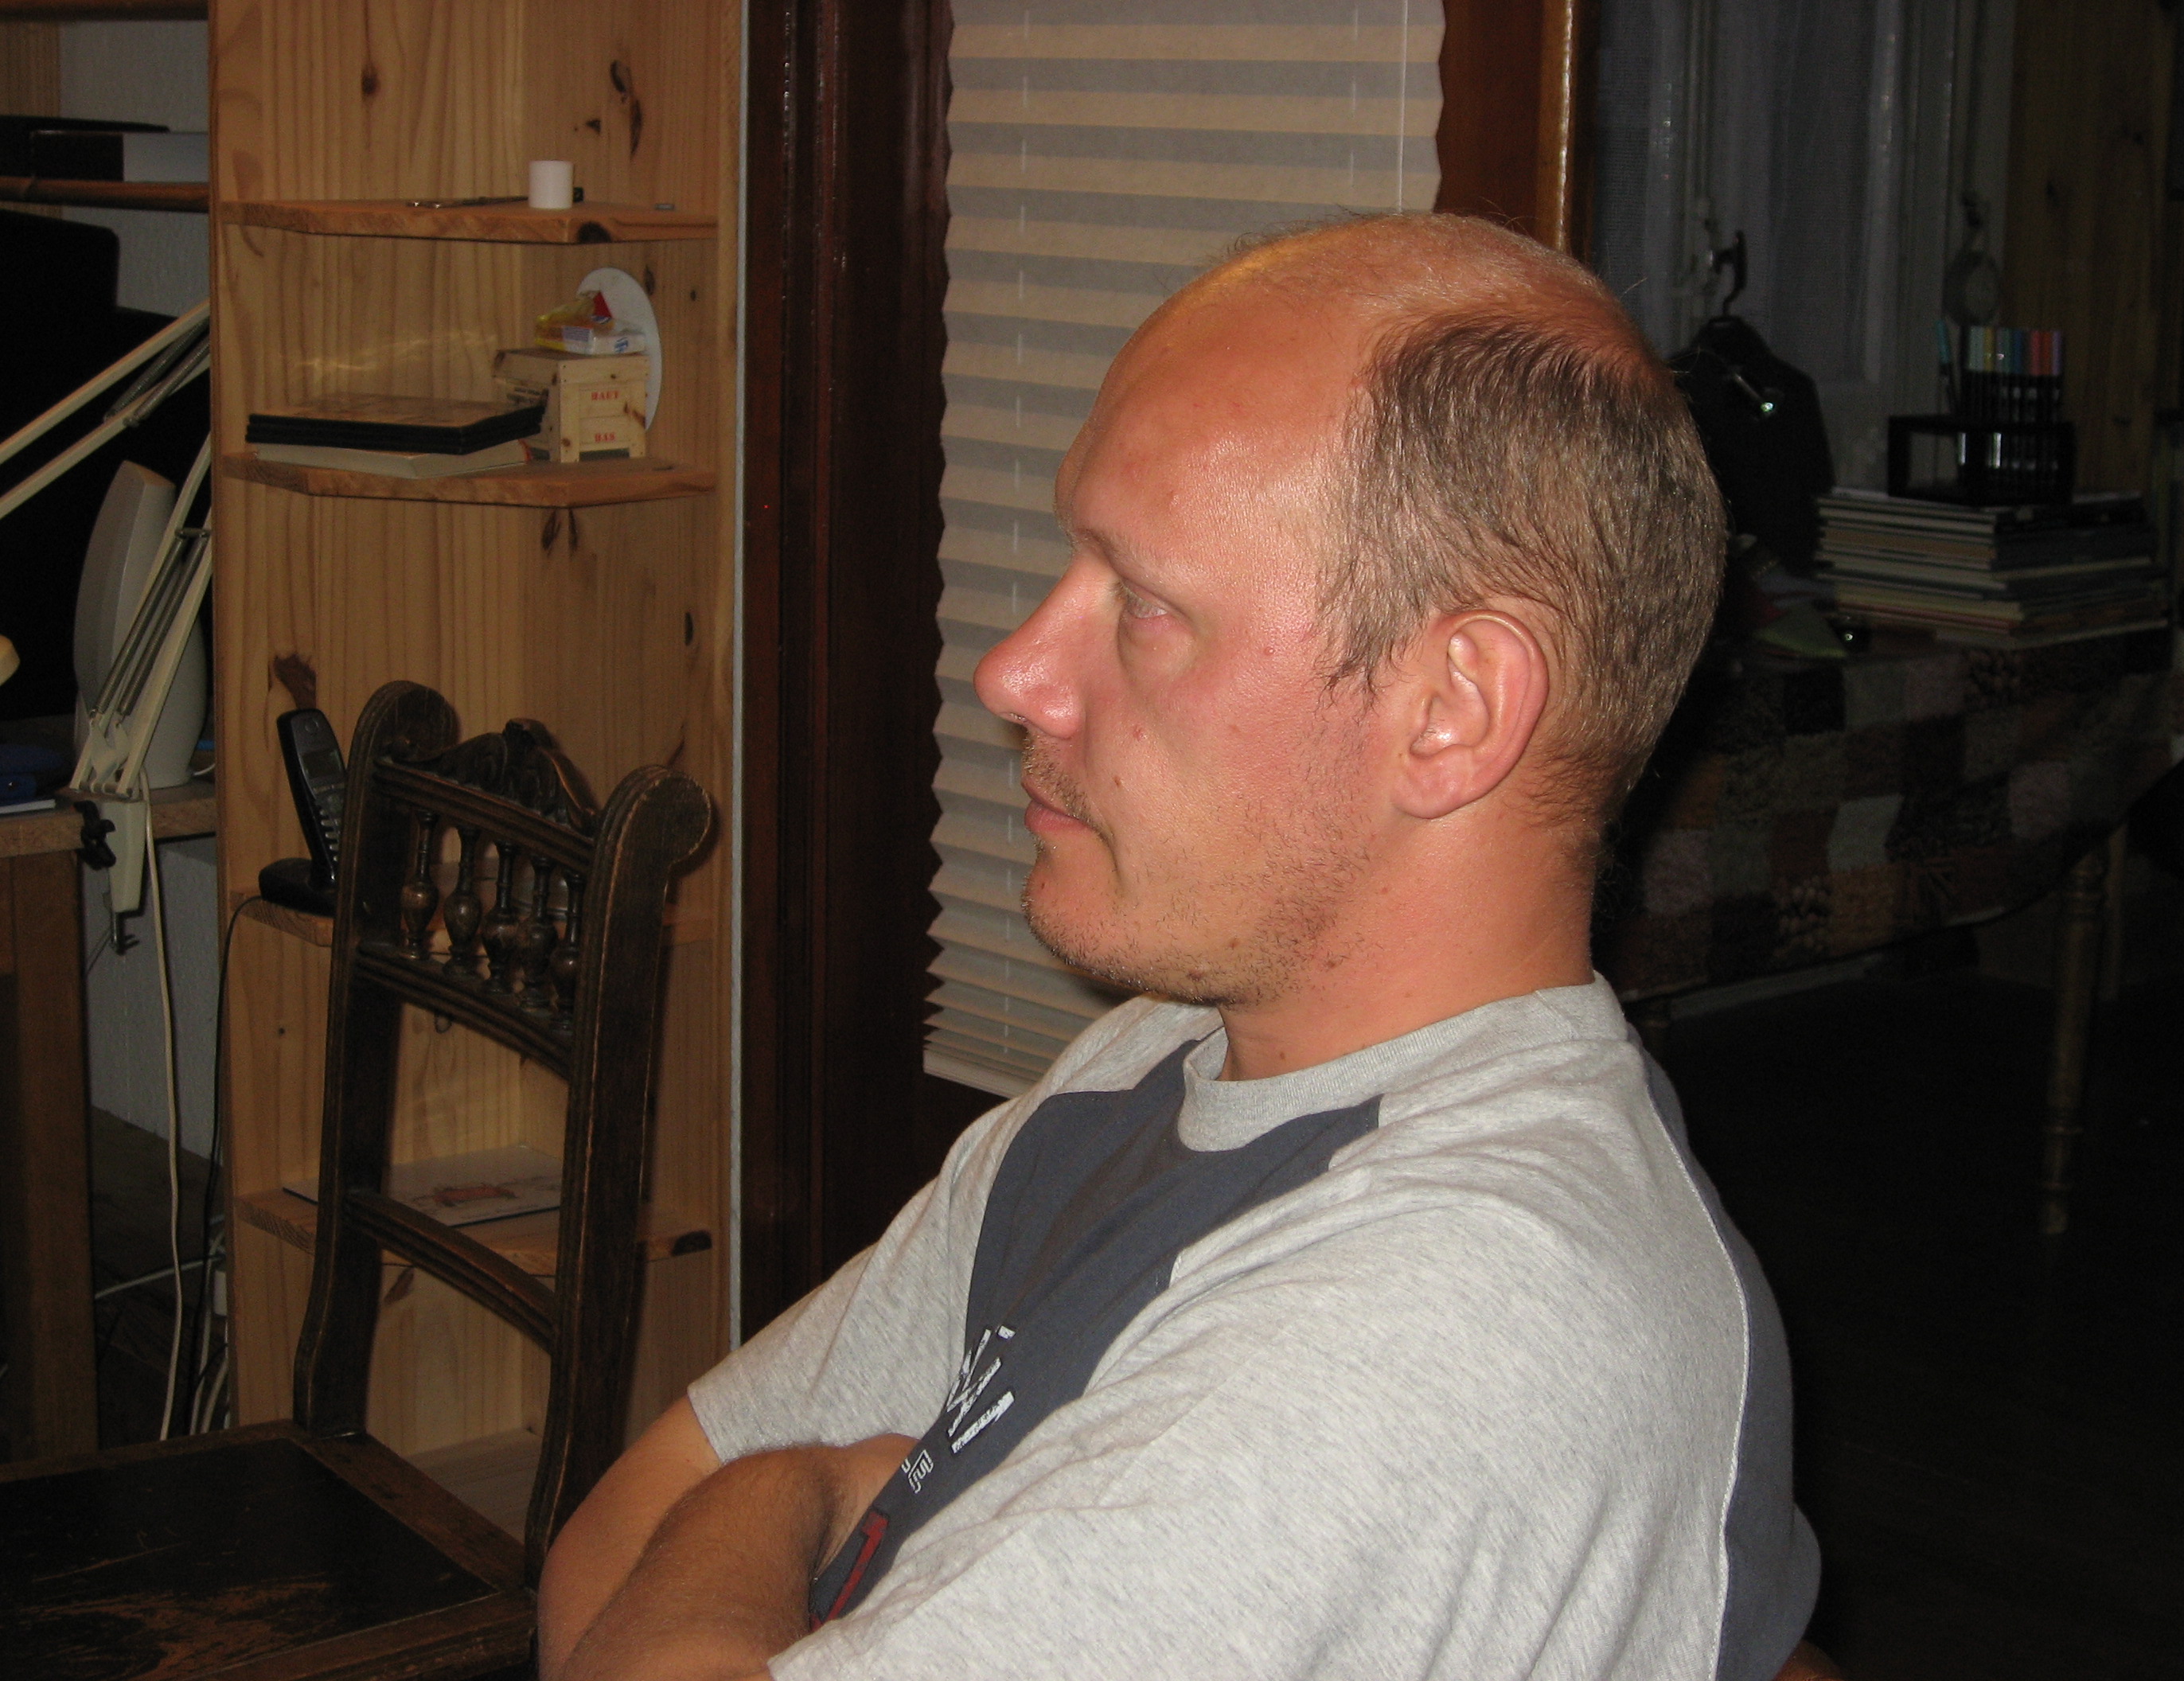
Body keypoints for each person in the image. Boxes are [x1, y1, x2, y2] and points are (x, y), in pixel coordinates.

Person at [540, 213, 1819, 1681]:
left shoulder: (1441, 1322)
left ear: (1451, 710)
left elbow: (681, 1533)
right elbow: (602, 1552)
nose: (1014, 672)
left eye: (1144, 604)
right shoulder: (1164, 1059)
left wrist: (797, 1491)